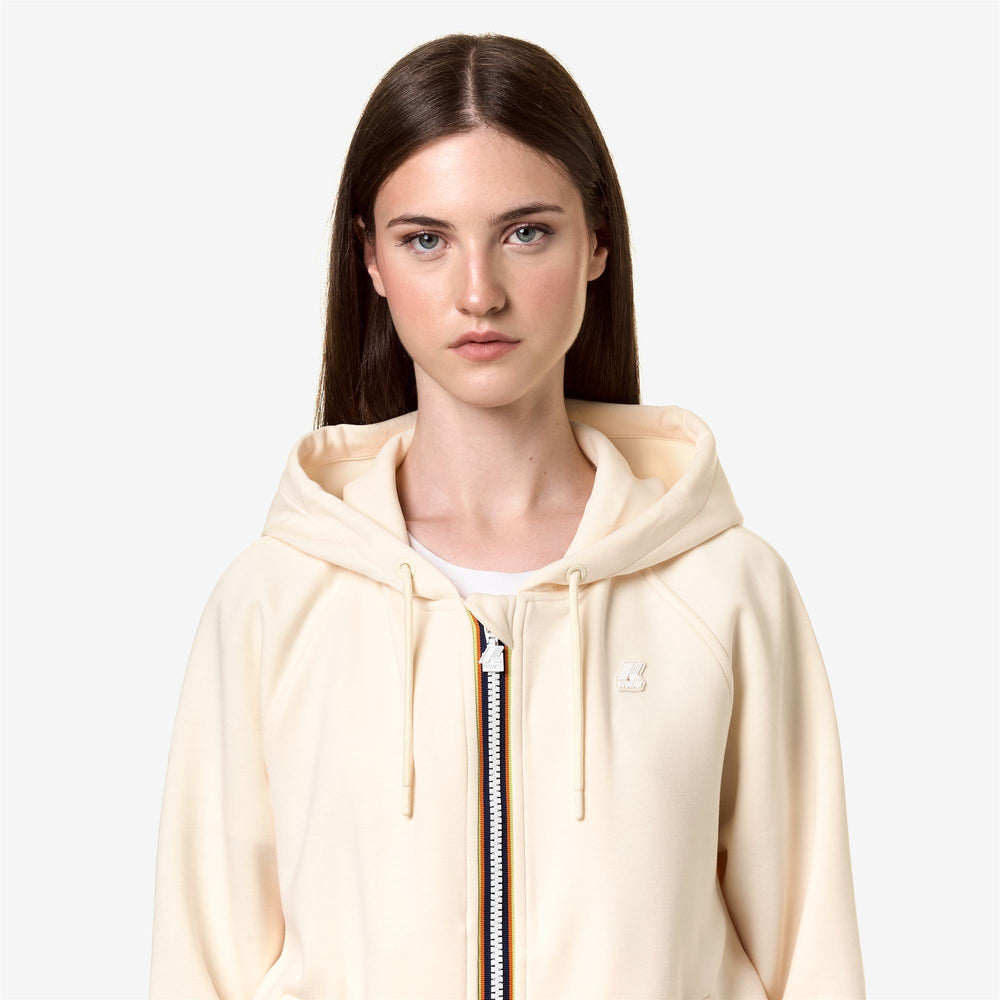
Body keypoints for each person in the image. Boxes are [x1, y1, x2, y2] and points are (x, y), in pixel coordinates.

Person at [149, 32, 866, 1000]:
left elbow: (809, 956)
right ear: (369, 259)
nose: (478, 293)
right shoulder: (272, 599)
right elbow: (201, 965)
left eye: (526, 233)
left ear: (597, 242)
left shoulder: (725, 589)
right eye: (426, 239)